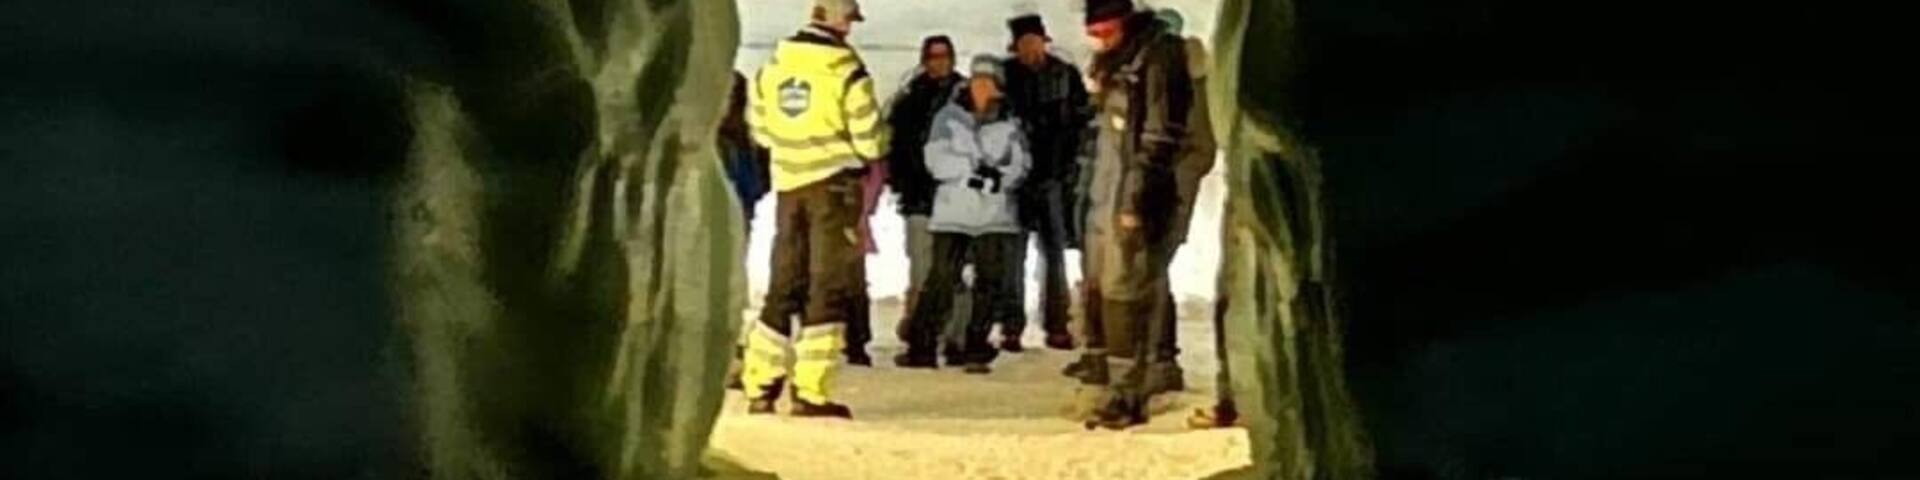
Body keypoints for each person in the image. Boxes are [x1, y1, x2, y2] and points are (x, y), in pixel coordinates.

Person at [741, 0, 887, 419]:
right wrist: (860, 151)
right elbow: (869, 140)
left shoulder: (775, 65)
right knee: (827, 286)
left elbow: (761, 128)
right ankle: (811, 390)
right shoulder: (846, 70)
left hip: (788, 185)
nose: (852, 29)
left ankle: (760, 383)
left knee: (782, 282)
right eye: (850, 20)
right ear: (838, 20)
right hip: (833, 188)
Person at [1076, 0, 1193, 430]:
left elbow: (1160, 136)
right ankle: (1112, 383)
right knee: (1104, 291)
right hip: (1104, 194)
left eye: (1102, 30)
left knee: (1129, 292)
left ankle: (1129, 392)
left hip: (1135, 197)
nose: (1097, 39)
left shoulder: (1159, 56)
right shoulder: (1118, 60)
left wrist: (1135, 199)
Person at [894, 54, 1030, 375]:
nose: (983, 87)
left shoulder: (1011, 123)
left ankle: (975, 346)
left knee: (989, 284)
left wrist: (999, 179)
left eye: (989, 82)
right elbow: (935, 159)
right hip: (954, 212)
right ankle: (922, 346)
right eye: (978, 80)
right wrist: (971, 173)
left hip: (995, 215)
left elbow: (1020, 163)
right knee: (941, 280)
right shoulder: (948, 118)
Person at [1000, 13, 1093, 352]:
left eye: (1034, 42)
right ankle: (1012, 325)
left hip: (1054, 176)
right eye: (1024, 44)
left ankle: (1057, 324)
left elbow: (1082, 119)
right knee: (1014, 255)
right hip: (1016, 181)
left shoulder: (1064, 74)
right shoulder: (1005, 75)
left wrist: (1072, 164)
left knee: (1054, 255)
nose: (1030, 49)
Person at [883, 35, 969, 359]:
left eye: (944, 55)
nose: (939, 62)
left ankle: (955, 339)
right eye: (933, 56)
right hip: (919, 198)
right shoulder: (908, 99)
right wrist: (900, 184)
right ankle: (923, 341)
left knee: (956, 273)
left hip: (956, 200)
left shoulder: (967, 98)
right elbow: (894, 147)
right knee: (922, 272)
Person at [721, 70, 773, 391]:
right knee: (729, 289)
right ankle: (731, 356)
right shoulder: (746, 141)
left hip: (727, 220)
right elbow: (757, 185)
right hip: (739, 218)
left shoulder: (714, 140)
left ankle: (728, 357)